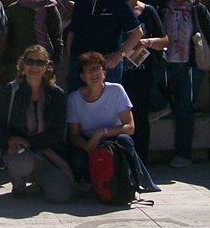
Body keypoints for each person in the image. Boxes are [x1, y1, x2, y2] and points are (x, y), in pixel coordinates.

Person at [0, 44, 73, 202]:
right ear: (22, 65)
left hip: (47, 151)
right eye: (30, 61)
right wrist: (10, 140)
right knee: (21, 163)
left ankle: (41, 180)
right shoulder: (11, 91)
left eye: (40, 63)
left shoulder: (56, 94)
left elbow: (57, 133)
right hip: (18, 151)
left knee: (60, 196)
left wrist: (29, 142)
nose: (34, 67)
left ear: (47, 67)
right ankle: (19, 183)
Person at [66, 51, 159, 194]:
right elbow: (74, 135)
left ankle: (132, 180)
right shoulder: (73, 99)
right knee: (77, 160)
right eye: (89, 70)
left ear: (104, 73)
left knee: (125, 141)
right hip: (88, 142)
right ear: (82, 76)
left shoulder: (116, 90)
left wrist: (102, 132)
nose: (94, 74)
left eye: (97, 69)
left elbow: (130, 127)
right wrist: (88, 147)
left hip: (113, 139)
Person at [162, 0, 210, 167]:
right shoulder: (163, 8)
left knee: (185, 109)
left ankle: (183, 154)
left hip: (190, 66)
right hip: (167, 64)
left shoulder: (197, 9)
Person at [116, 0, 168, 162]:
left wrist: (147, 42)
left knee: (140, 120)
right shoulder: (112, 8)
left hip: (142, 75)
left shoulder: (148, 11)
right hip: (118, 73)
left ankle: (141, 162)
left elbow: (165, 40)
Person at [67, 0, 142, 88]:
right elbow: (72, 33)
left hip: (107, 68)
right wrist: (69, 61)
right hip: (80, 67)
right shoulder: (80, 1)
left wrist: (119, 55)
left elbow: (137, 33)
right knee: (77, 106)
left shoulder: (117, 0)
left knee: (109, 107)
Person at [4, 0, 63, 81]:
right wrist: (9, 68)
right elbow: (8, 42)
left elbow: (57, 39)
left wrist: (54, 64)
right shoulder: (13, 10)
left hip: (45, 66)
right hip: (19, 68)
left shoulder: (50, 7)